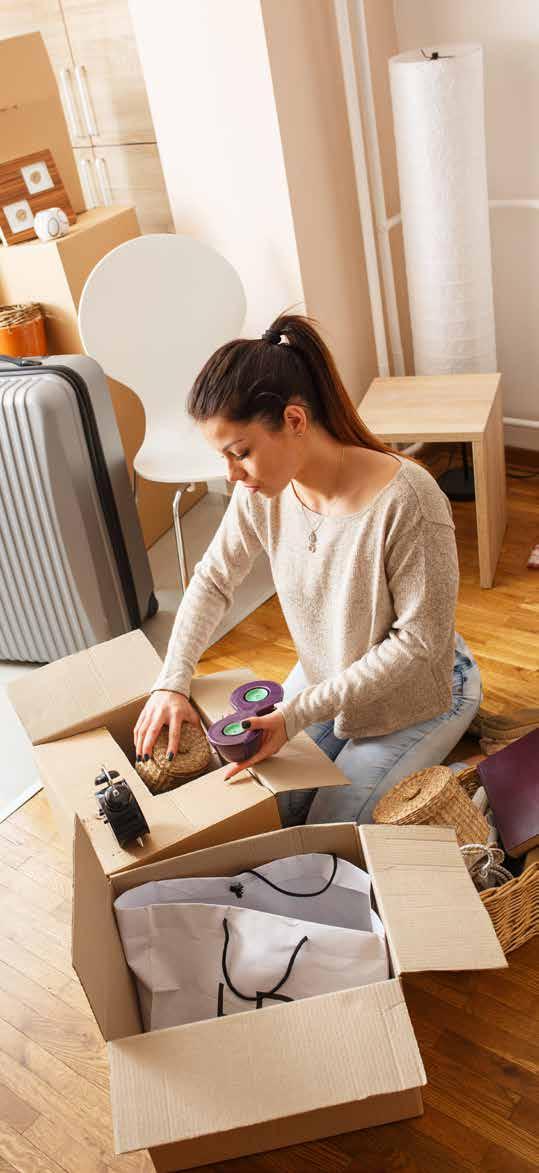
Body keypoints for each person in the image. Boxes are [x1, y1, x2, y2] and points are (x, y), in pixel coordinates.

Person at [134, 312, 483, 825]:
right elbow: (213, 579)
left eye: (240, 453)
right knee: (274, 809)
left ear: (295, 421)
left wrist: (296, 713)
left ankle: (464, 783)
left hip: (421, 692)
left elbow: (418, 646)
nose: (232, 475)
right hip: (331, 676)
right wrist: (172, 679)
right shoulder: (263, 491)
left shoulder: (409, 499)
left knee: (326, 830)